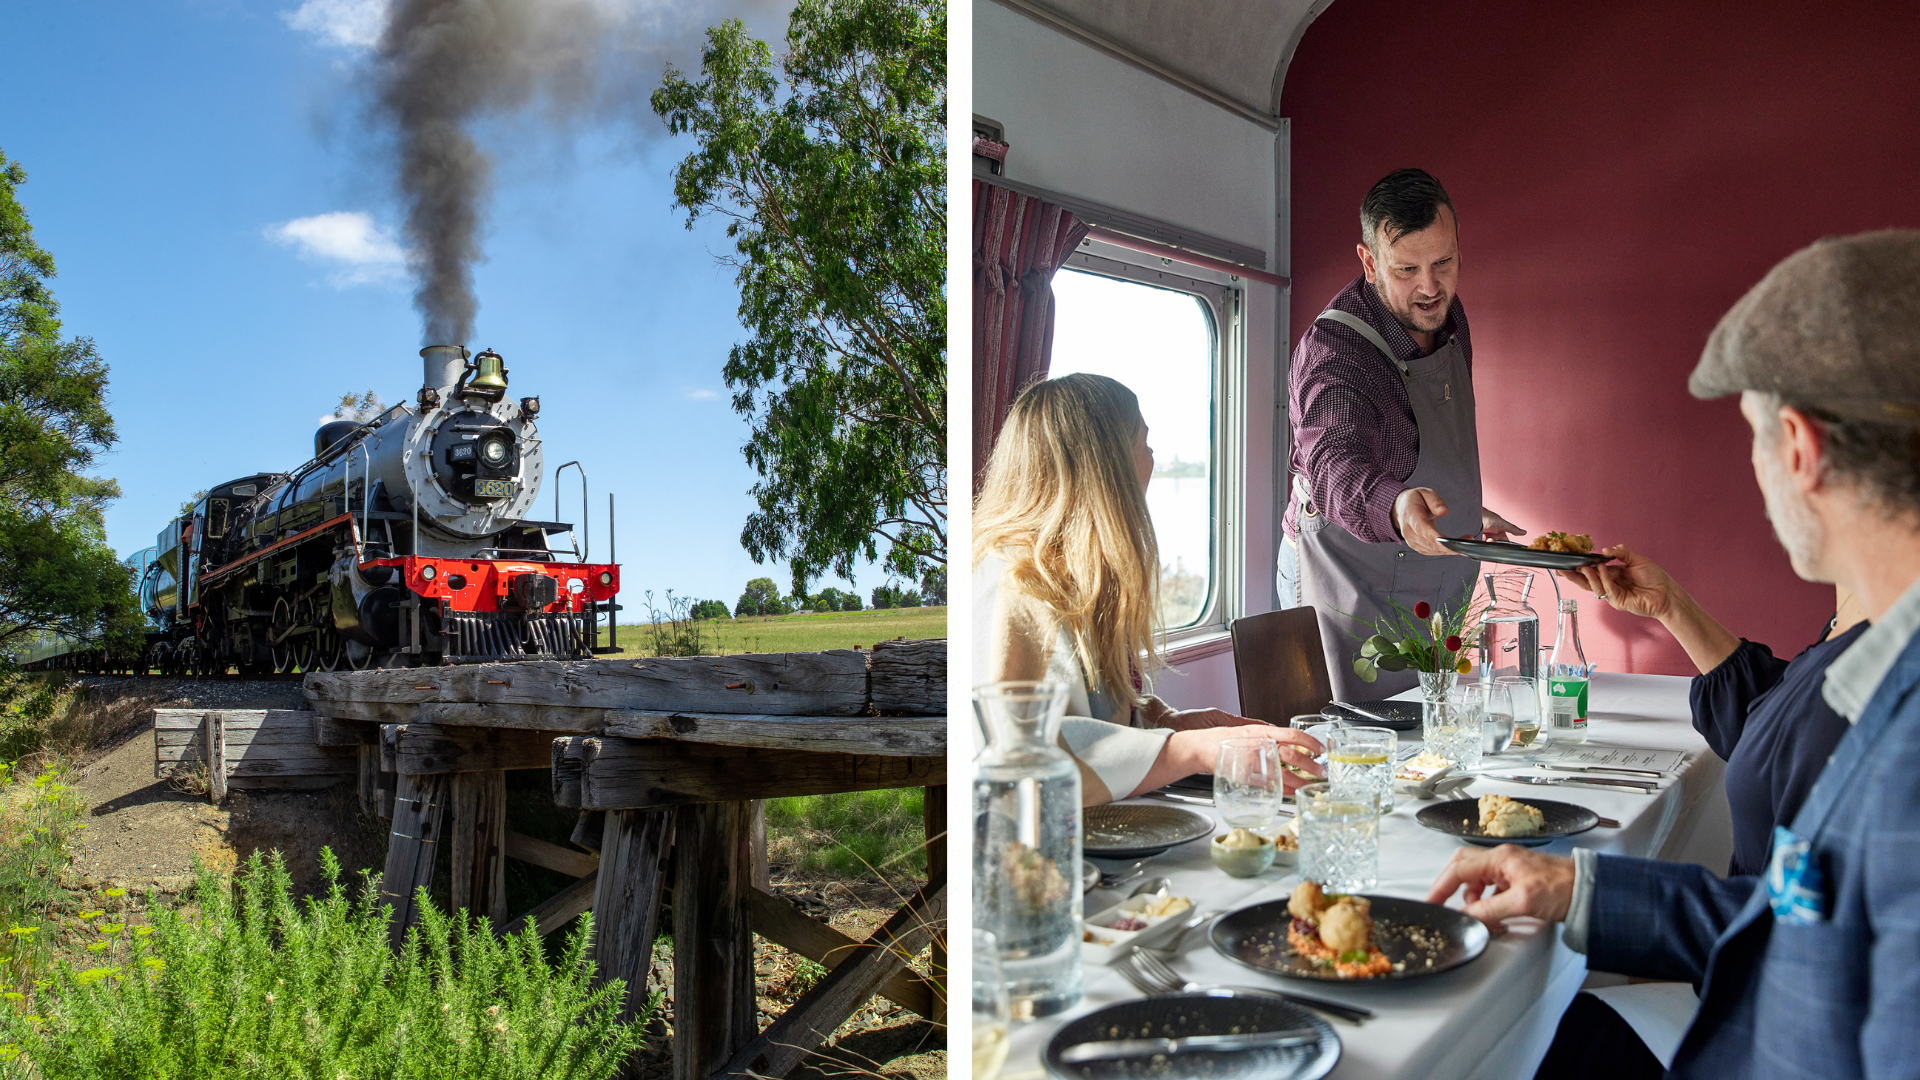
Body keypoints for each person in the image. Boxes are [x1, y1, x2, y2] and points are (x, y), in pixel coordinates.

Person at [1427, 230, 1920, 1079]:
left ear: (1798, 449)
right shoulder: (1881, 647)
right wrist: (1577, 890)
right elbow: (1808, 903)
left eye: (1754, 442)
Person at [974, 373, 1323, 805]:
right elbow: (1023, 761)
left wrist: (1169, 722)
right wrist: (1189, 751)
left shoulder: (1068, 573)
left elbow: (1091, 713)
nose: (1153, 455)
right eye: (1143, 440)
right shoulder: (1014, 585)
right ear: (1108, 464)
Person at [1279, 168, 1523, 700]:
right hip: (1350, 581)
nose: (1430, 287)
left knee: (1441, 743)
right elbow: (1334, 467)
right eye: (1407, 268)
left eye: (1443, 262)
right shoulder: (1336, 352)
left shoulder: (1448, 320)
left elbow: (1418, 445)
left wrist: (1462, 506)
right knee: (1359, 753)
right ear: (1369, 262)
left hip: (1435, 580)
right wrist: (1397, 508)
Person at [1561, 551, 1866, 876]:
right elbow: (1775, 720)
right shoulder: (1854, 616)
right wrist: (1669, 604)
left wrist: (1583, 891)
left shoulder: (1883, 663)